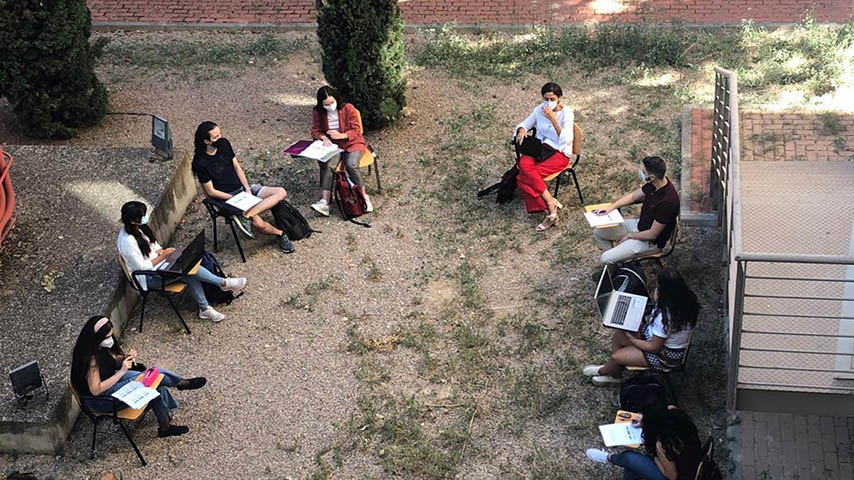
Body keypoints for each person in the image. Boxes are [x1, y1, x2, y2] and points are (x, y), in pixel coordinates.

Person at [70, 316, 208, 438]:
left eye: (111, 336)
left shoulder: (100, 348)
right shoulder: (90, 359)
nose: (110, 340)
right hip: (102, 399)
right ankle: (181, 386)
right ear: (96, 339)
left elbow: (110, 362)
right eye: (107, 337)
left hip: (111, 380)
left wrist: (125, 358)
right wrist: (122, 371)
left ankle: (171, 408)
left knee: (154, 375)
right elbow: (96, 390)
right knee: (150, 385)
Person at [117, 201, 246, 323]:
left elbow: (154, 246)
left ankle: (206, 306)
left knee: (188, 266)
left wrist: (163, 252)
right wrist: (163, 256)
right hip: (147, 277)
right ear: (134, 220)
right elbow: (142, 266)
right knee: (187, 270)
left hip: (159, 266)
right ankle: (222, 284)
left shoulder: (140, 228)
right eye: (142, 216)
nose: (145, 218)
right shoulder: (127, 241)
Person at [582, 269, 699, 386]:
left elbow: (653, 347)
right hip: (653, 336)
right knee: (619, 336)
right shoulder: (683, 300)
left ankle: (603, 370)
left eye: (658, 287)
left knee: (616, 356)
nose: (655, 289)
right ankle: (614, 372)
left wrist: (633, 340)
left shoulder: (665, 318)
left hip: (664, 355)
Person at [192, 121, 295, 253]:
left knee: (280, 192)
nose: (220, 138)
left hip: (243, 189)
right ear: (207, 141)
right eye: (216, 137)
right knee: (259, 224)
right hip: (228, 197)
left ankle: (248, 215)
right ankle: (280, 234)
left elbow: (236, 167)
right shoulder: (201, 163)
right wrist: (235, 197)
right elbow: (211, 192)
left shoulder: (224, 144)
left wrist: (247, 189)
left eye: (220, 134)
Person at [591, 155, 679, 264]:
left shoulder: (668, 202)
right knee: (598, 232)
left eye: (644, 171)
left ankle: (613, 263)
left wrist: (629, 236)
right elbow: (633, 196)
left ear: (651, 177)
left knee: (605, 258)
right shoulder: (654, 184)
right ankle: (617, 263)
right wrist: (610, 207)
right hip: (639, 225)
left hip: (649, 242)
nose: (642, 173)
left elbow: (652, 234)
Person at [513, 82, 575, 231]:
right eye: (546, 99)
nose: (548, 102)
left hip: (559, 151)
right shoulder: (539, 110)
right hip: (541, 148)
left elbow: (566, 139)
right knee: (523, 165)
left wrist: (553, 119)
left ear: (559, 98)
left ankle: (549, 213)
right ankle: (550, 204)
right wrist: (522, 129)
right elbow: (526, 123)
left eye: (552, 99)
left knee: (523, 178)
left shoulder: (567, 114)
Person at [585, 407, 703, 480]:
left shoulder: (664, 444)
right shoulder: (678, 417)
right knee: (633, 467)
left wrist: (656, 458)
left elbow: (671, 476)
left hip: (681, 476)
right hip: (694, 463)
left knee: (629, 458)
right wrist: (647, 420)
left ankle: (609, 458)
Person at [309, 85, 373, 216]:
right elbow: (315, 130)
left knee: (351, 165)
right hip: (334, 145)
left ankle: (363, 196)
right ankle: (325, 202)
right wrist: (323, 137)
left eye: (332, 102)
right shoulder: (318, 112)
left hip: (352, 142)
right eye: (326, 104)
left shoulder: (348, 108)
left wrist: (342, 135)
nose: (330, 106)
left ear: (336, 99)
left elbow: (357, 130)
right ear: (321, 105)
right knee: (328, 166)